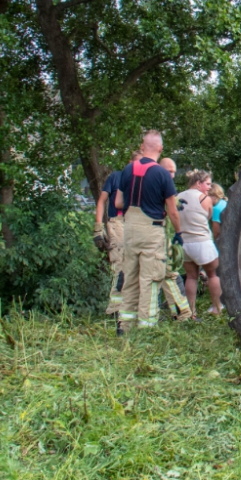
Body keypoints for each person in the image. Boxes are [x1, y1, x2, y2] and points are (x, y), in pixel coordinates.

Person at [114, 130, 181, 332]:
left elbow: (118, 202)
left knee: (131, 278)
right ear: (160, 149)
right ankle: (147, 327)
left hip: (130, 230)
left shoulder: (127, 170)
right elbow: (172, 211)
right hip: (151, 231)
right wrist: (179, 233)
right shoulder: (162, 174)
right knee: (150, 280)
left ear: (142, 147)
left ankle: (124, 325)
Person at [96, 151, 140, 314]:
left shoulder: (142, 181)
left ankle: (130, 306)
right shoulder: (117, 177)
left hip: (135, 224)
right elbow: (102, 201)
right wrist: (98, 227)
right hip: (118, 223)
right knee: (120, 264)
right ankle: (115, 309)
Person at [176, 170, 223, 316]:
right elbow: (208, 216)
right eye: (207, 184)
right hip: (202, 242)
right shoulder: (204, 198)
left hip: (184, 243)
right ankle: (217, 307)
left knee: (191, 276)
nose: (209, 187)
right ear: (198, 183)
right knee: (213, 274)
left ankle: (191, 311)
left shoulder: (178, 196)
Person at [156, 157, 192, 322]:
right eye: (169, 171)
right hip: (156, 235)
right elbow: (171, 211)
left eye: (174, 172)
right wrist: (179, 233)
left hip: (160, 233)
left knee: (163, 273)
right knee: (167, 273)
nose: (172, 175)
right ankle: (182, 314)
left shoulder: (153, 181)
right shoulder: (158, 181)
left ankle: (177, 313)